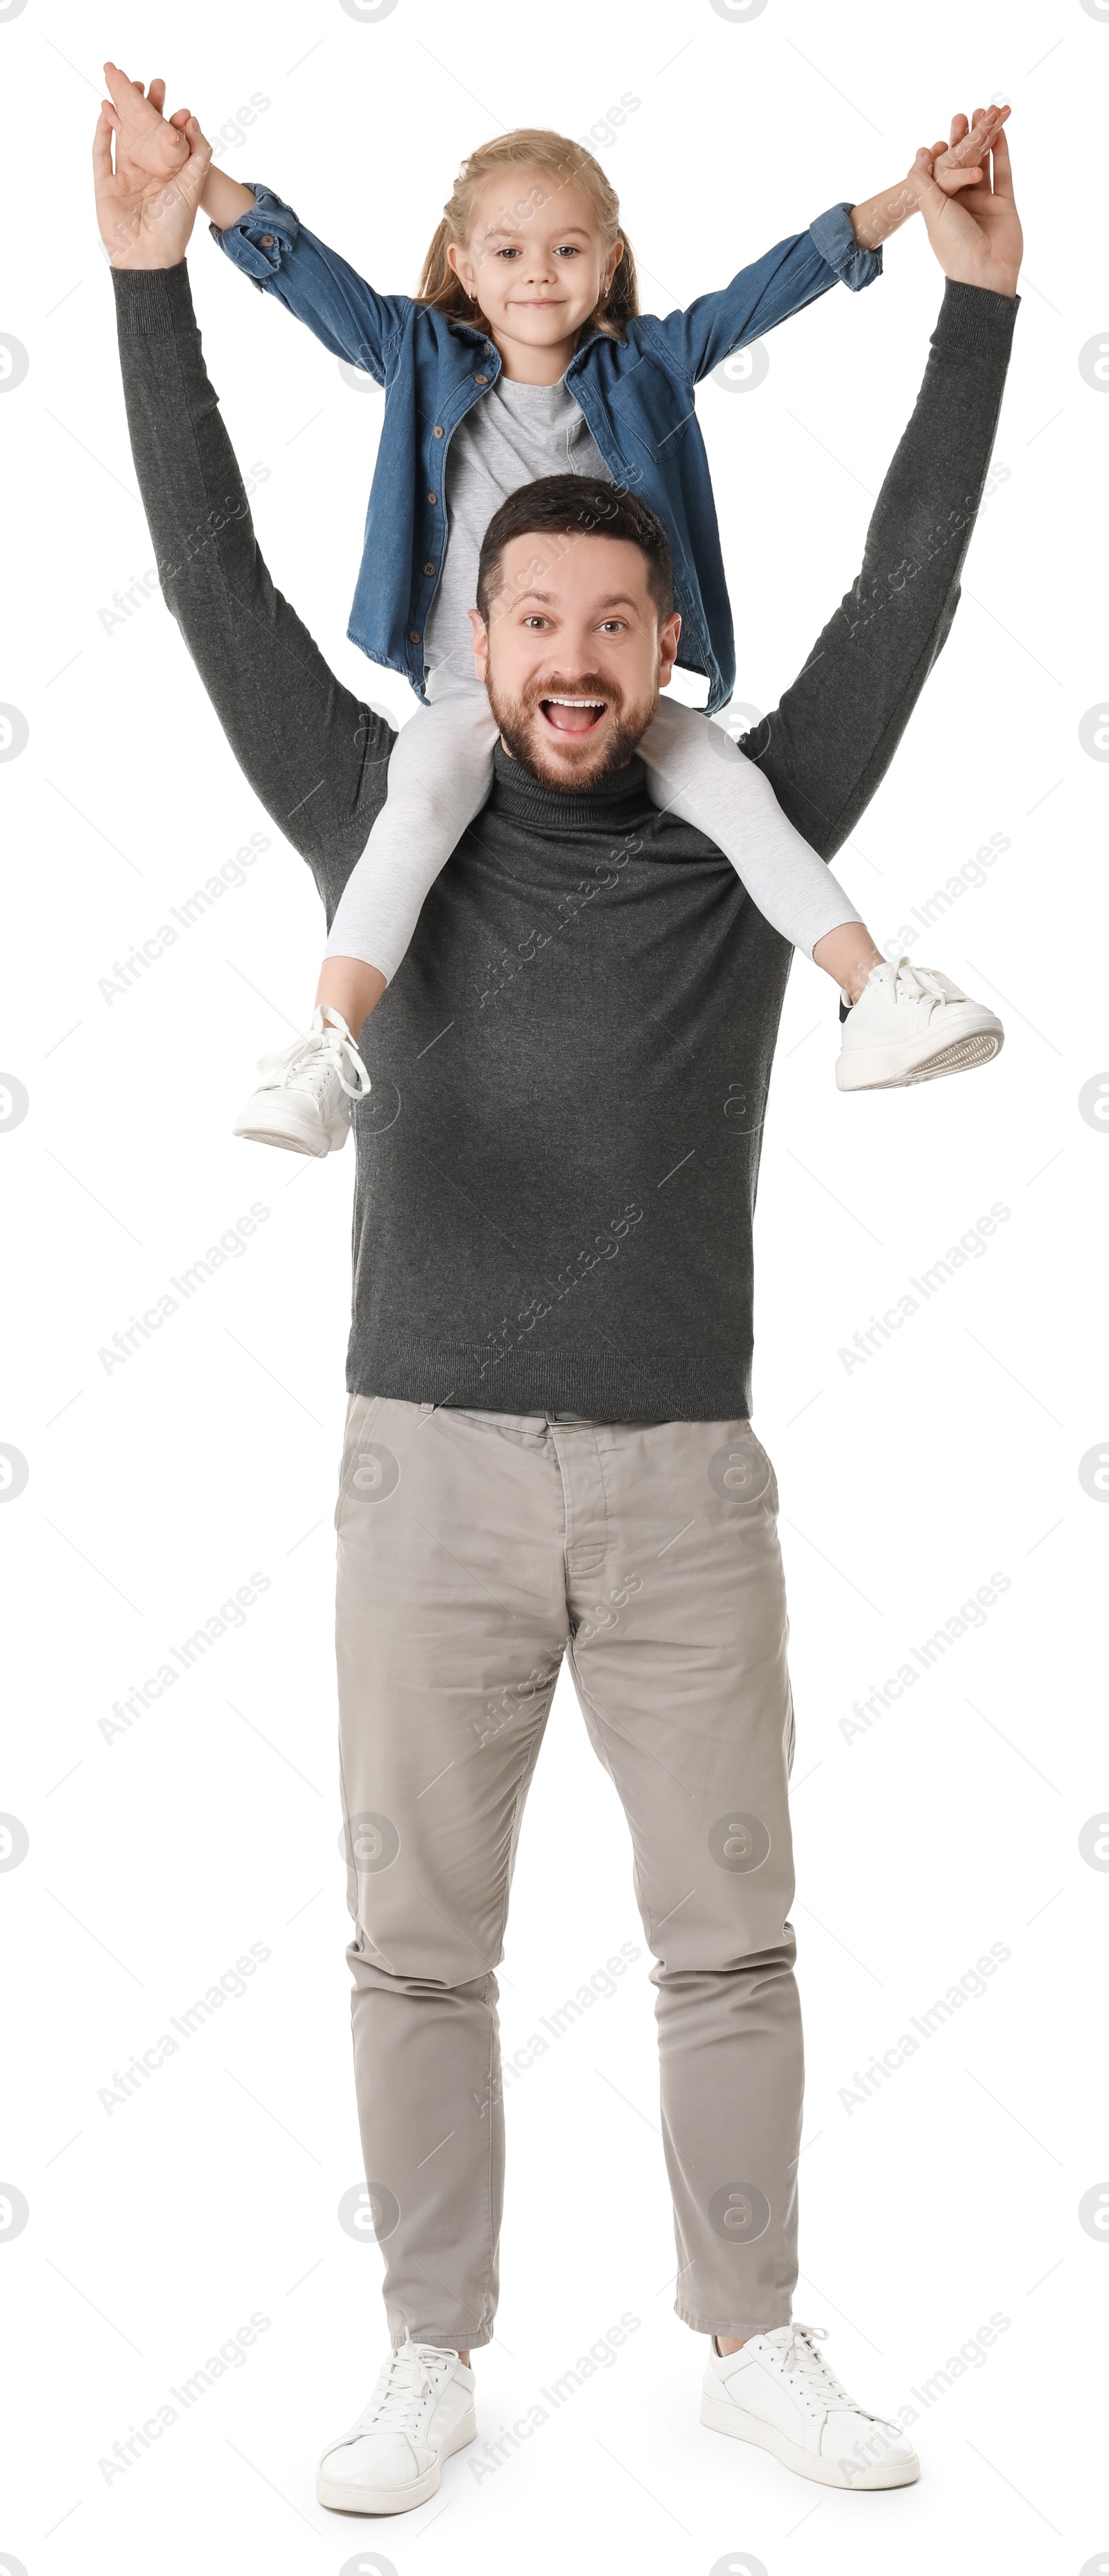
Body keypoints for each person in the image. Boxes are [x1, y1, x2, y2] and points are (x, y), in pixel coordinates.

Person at [95, 89, 1021, 2510]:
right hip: (428, 1468)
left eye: (620, 621)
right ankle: (430, 2345)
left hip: (687, 1476)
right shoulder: (374, 827)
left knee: (736, 1938)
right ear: (476, 642)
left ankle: (755, 2329)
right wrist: (146, 283)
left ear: (662, 640)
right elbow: (206, 578)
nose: (579, 657)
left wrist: (985, 307)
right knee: (419, 1950)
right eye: (536, 620)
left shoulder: (743, 844)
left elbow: (906, 592)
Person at [98, 67, 1005, 1145]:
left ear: (610, 261)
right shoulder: (417, 354)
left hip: (620, 696)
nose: (540, 275)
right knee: (415, 811)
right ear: (463, 267)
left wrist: (909, 199)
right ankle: (327, 1045)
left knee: (737, 792)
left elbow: (779, 282)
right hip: (460, 694)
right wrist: (201, 190)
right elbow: (305, 273)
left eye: (568, 250)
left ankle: (876, 994)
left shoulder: (650, 365)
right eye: (510, 252)